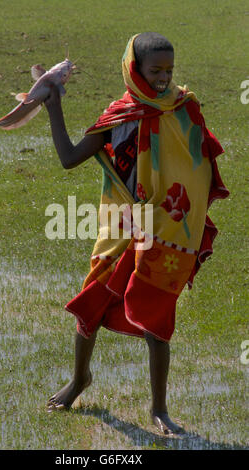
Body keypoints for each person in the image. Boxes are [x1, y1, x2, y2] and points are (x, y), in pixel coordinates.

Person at [44, 32, 229, 435]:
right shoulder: (120, 115)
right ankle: (79, 380)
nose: (163, 79)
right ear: (134, 69)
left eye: (169, 70)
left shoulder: (183, 108)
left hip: (165, 230)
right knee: (92, 303)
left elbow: (198, 166)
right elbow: (70, 158)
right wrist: (53, 106)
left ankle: (159, 409)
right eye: (155, 70)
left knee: (156, 319)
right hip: (123, 226)